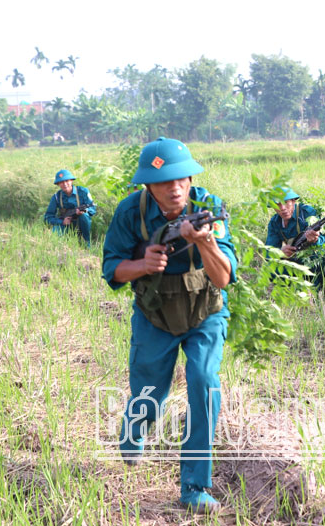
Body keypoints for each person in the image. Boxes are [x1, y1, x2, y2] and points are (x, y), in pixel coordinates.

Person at [102, 137, 236, 514]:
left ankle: (195, 487)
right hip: (154, 314)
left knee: (203, 383)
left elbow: (223, 278)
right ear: (147, 185)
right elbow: (111, 268)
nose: (174, 188)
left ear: (191, 180)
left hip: (203, 312)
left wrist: (205, 243)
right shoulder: (131, 213)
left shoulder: (209, 210)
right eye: (164, 182)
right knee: (149, 391)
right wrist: (142, 265)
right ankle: (135, 428)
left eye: (181, 179)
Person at [265, 186, 325, 288]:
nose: (282, 208)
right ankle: (290, 290)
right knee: (270, 269)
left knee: (319, 260)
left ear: (293, 201)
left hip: (311, 259)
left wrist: (315, 240)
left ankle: (315, 291)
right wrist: (280, 252)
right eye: (277, 204)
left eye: (285, 202)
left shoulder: (308, 213)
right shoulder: (275, 222)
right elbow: (268, 251)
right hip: (294, 259)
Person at [43, 169, 97, 247]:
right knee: (54, 235)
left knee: (84, 216)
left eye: (67, 181)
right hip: (65, 225)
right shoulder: (56, 197)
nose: (65, 184)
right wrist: (61, 222)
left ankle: (86, 244)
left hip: (81, 224)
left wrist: (84, 211)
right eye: (61, 182)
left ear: (71, 180)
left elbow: (93, 209)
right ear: (58, 184)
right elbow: (47, 218)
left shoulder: (83, 191)